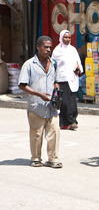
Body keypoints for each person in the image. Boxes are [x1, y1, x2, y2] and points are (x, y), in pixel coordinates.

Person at [18, 36, 62, 168]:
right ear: (38, 47)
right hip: (36, 106)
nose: (48, 50)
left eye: (50, 47)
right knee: (36, 134)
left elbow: (57, 81)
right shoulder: (29, 64)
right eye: (45, 47)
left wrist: (56, 90)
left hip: (52, 106)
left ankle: (53, 158)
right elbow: (22, 85)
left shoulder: (54, 63)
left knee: (54, 132)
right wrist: (38, 94)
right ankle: (36, 158)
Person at [51, 30, 83, 130]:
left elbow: (78, 62)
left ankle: (72, 121)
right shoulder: (57, 51)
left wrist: (78, 69)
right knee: (63, 103)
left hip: (72, 79)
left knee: (72, 102)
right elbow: (53, 65)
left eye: (69, 37)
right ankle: (64, 123)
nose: (67, 39)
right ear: (61, 38)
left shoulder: (73, 50)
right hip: (61, 79)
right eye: (65, 37)